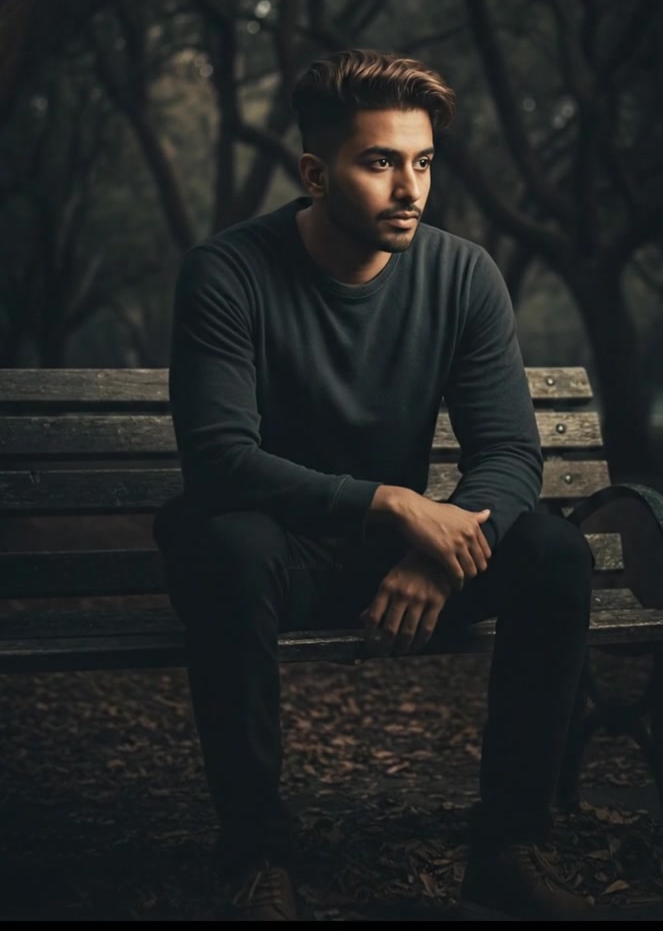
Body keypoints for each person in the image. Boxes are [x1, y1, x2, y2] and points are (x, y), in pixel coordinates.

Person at [153, 49, 595, 921]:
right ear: (316, 173)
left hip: (388, 558)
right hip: (270, 556)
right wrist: (391, 502)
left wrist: (446, 554)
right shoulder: (228, 273)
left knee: (551, 551)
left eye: (423, 162)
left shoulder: (462, 276)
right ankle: (254, 858)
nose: (410, 188)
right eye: (380, 161)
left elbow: (510, 451)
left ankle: (509, 847)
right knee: (230, 544)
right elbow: (219, 459)